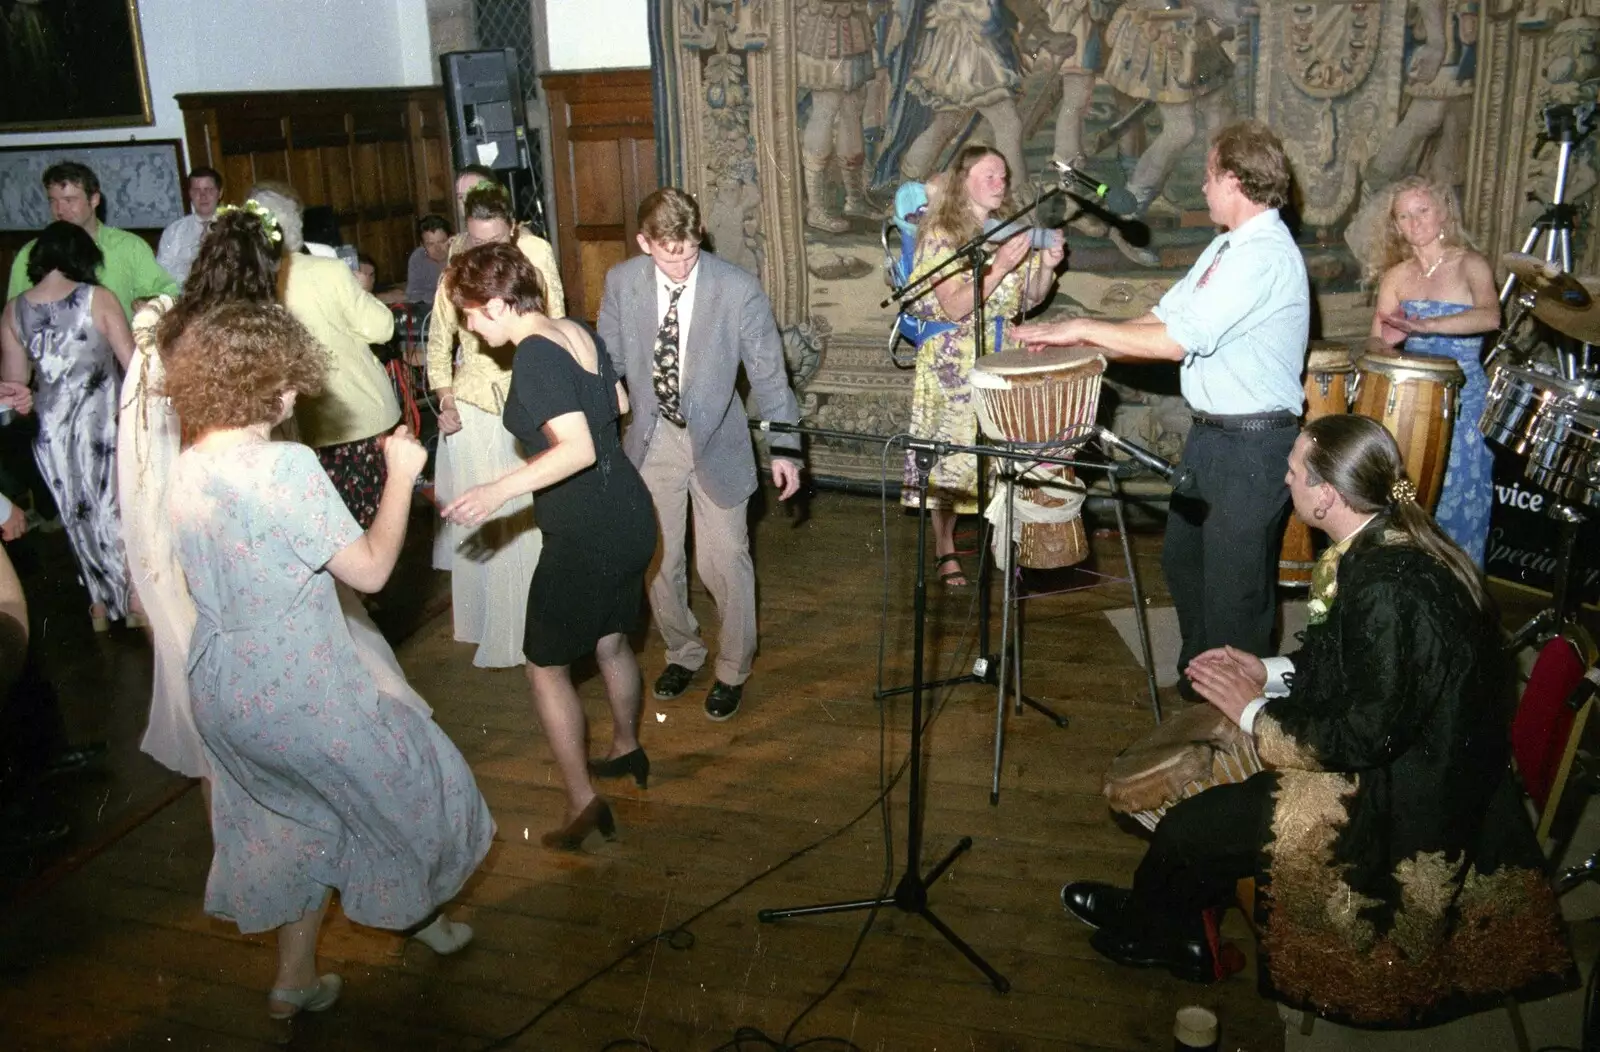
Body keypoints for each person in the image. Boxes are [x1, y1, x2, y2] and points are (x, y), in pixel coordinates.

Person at [1060, 415, 1574, 1025]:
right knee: (1215, 817)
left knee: (1193, 826)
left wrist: (1249, 710)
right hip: (1424, 754)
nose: (1284, 476)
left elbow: (1365, 735)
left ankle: (1157, 933)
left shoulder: (1386, 585)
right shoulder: (1383, 539)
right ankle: (1174, 913)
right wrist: (1266, 670)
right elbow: (1352, 664)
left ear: (1326, 494)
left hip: (1410, 797)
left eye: (1294, 469)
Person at [163, 301, 492, 1019]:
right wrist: (402, 471)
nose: (298, 392)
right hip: (303, 684)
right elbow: (371, 571)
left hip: (223, 687)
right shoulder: (284, 466)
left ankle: (296, 979)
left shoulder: (187, 464)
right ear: (271, 383)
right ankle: (419, 913)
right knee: (421, 784)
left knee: (298, 821)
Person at [121, 202, 432, 781]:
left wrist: (145, 567)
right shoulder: (257, 364)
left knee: (242, 765)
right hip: (264, 532)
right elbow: (366, 568)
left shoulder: (174, 333)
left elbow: (147, 468)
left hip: (210, 546)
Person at [1016, 120, 1308, 696]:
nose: (1202, 189)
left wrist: (1080, 325)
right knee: (1186, 561)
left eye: (1207, 177)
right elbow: (1162, 317)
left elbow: (1175, 342)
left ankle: (1237, 719)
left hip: (1253, 445)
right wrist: (1079, 337)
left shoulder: (1264, 255)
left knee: (1234, 589)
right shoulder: (1228, 247)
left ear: (1233, 179)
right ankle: (1202, 685)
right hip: (1215, 440)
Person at [441, 244, 655, 847]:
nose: (470, 325)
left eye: (474, 312)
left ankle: (583, 801)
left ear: (503, 302)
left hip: (587, 527)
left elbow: (578, 449)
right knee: (611, 642)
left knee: (544, 666)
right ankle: (626, 746)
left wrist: (494, 491)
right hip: (629, 513)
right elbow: (617, 404)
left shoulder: (533, 355)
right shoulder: (573, 330)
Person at [598, 187, 805, 721]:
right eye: (672, 253)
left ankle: (733, 667)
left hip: (716, 437)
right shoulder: (622, 283)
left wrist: (785, 449)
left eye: (691, 250)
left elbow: (769, 376)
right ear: (646, 242)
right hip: (652, 438)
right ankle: (684, 651)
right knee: (659, 562)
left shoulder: (736, 289)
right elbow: (609, 362)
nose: (685, 263)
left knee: (724, 562)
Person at [901, 145, 1064, 587]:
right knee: (952, 464)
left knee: (1000, 459)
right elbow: (953, 306)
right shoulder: (941, 234)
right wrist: (999, 268)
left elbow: (1030, 297)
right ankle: (945, 546)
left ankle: (1001, 543)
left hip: (998, 356)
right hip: (954, 360)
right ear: (963, 182)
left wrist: (1046, 267)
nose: (1000, 183)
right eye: (989, 175)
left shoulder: (1007, 229)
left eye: (1003, 176)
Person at [427, 182, 562, 669]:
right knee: (485, 520)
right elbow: (440, 344)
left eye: (497, 241)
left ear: (515, 229)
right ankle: (492, 626)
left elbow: (556, 325)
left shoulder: (534, 258)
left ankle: (531, 628)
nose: (487, 250)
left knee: (523, 520)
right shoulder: (455, 273)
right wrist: (444, 398)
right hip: (473, 408)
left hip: (521, 401)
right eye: (478, 240)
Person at [0, 221, 137, 631]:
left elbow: (14, 387)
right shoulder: (99, 298)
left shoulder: (13, 310)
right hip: (104, 421)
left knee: (76, 512)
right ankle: (132, 600)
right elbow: (133, 367)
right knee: (116, 507)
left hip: (52, 428)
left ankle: (98, 605)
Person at [248, 188, 400, 529]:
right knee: (372, 531)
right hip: (356, 417)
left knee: (319, 531)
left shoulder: (249, 284)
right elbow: (382, 327)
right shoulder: (328, 271)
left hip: (290, 429)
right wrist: (360, 291)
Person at [1368, 176, 1498, 565]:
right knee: (1415, 498)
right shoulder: (1396, 276)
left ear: (1443, 212)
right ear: (1396, 225)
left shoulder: (1469, 264)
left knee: (1461, 498)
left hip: (1466, 399)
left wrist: (1425, 327)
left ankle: (1461, 600)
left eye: (1422, 210)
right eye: (1404, 216)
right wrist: (1387, 341)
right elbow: (1375, 340)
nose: (1415, 222)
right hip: (1416, 400)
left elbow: (1490, 317)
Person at [6, 161, 179, 318]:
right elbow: (14, 316)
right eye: (53, 201)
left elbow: (169, 295)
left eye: (69, 200)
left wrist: (150, 303)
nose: (60, 210)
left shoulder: (129, 247)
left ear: (94, 199)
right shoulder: (31, 252)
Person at [155, 167, 223, 285]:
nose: (203, 196)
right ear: (189, 194)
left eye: (209, 190)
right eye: (196, 190)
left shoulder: (233, 226)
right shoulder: (174, 231)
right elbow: (162, 272)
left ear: (220, 193)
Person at [406, 214, 452, 304]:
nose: (438, 249)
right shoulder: (418, 257)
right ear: (422, 245)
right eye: (431, 244)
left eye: (442, 242)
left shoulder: (461, 254)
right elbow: (413, 294)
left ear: (451, 239)